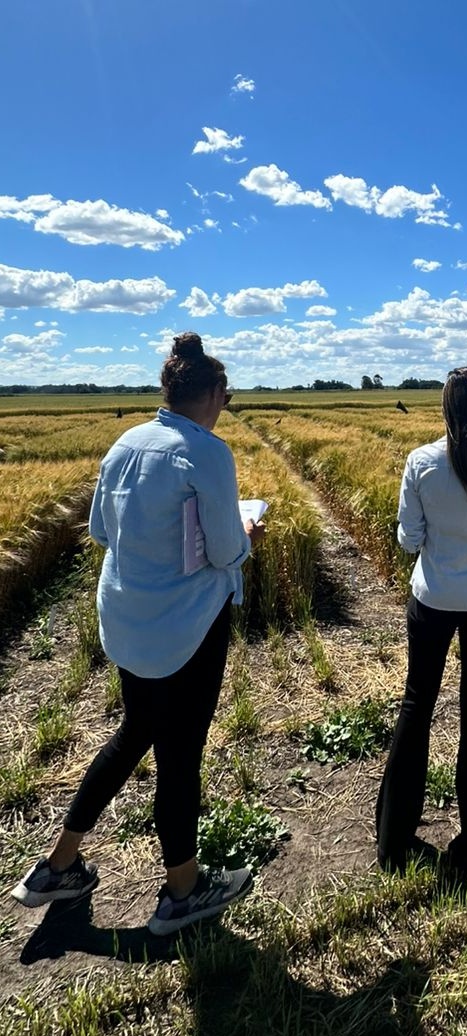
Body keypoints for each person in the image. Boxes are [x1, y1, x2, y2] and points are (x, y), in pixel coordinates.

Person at [11, 332, 265, 936]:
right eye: (226, 394)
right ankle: (181, 893)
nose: (226, 404)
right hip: (187, 628)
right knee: (180, 754)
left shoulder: (127, 443)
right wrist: (248, 536)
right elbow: (227, 549)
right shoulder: (206, 453)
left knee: (133, 735)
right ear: (211, 394)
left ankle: (57, 867)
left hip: (126, 619)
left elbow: (101, 529)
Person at [376, 367, 467, 871]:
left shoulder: (421, 463)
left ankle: (394, 838)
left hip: (433, 599)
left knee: (417, 706)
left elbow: (408, 539)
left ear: (447, 411)